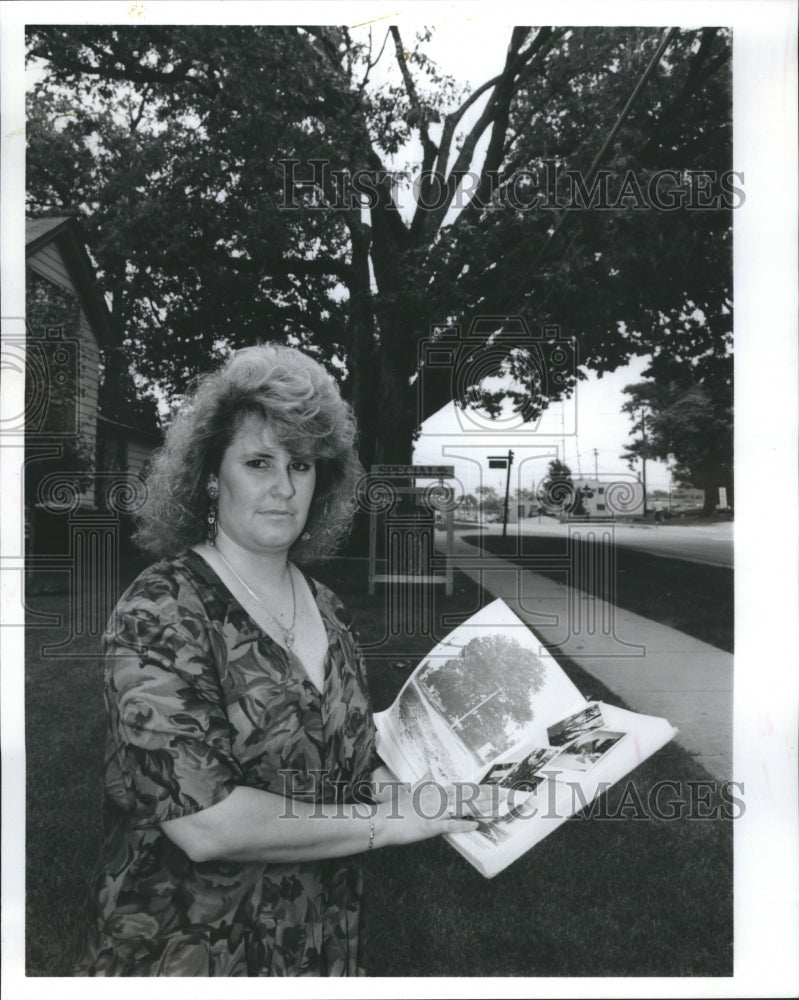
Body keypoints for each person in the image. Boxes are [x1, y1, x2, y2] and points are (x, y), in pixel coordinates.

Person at [76, 344, 487, 977]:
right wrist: (388, 825)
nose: (283, 487)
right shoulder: (160, 611)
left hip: (318, 942)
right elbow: (205, 822)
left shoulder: (327, 606)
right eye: (259, 462)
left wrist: (424, 798)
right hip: (189, 947)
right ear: (212, 476)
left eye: (301, 464)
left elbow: (350, 765)